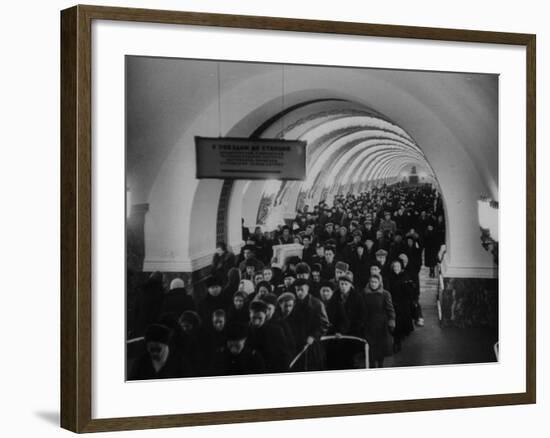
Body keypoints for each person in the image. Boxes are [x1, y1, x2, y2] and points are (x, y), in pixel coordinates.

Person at [288, 279, 329, 371]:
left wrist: (313, 336)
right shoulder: (293, 304)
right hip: (297, 344)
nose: (299, 292)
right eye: (297, 290)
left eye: (302, 289)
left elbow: (324, 324)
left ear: (307, 289)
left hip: (312, 345)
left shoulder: (317, 304)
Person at [247, 300, 292, 373]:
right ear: (250, 314)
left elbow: (284, 355)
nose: (257, 321)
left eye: (260, 318)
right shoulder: (244, 331)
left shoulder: (276, 331)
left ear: (265, 315)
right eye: (254, 317)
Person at [363, 274, 396, 368]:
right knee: (370, 347)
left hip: (381, 324)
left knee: (381, 347)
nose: (373, 284)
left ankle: (380, 365)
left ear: (379, 283)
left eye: (375, 282)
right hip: (369, 324)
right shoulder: (365, 293)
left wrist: (392, 321)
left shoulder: (385, 294)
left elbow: (390, 309)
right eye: (372, 282)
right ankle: (372, 365)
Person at [387, 260, 415, 352]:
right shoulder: (390, 277)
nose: (396, 268)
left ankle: (398, 341)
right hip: (393, 303)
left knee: (400, 324)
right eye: (394, 266)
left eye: (398, 266)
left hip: (403, 305)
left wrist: (407, 286)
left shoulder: (405, 277)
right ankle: (396, 342)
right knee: (395, 324)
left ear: (401, 267)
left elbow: (410, 292)